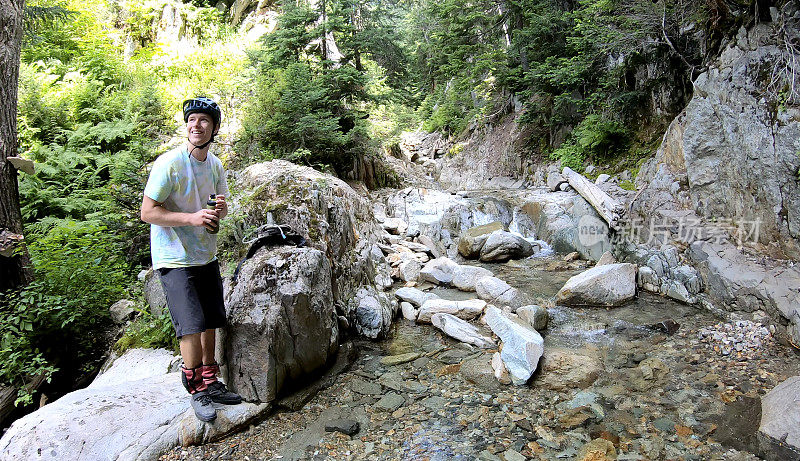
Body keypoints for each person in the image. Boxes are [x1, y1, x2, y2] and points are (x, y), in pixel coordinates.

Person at [140, 97, 241, 421]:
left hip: (205, 254)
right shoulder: (169, 164)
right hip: (173, 258)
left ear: (213, 128)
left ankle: (211, 382)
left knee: (211, 320)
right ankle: (196, 388)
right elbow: (147, 212)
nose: (196, 126)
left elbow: (219, 208)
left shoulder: (214, 165)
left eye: (203, 121)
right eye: (192, 120)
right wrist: (192, 218)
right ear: (187, 126)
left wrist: (218, 212)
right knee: (191, 326)